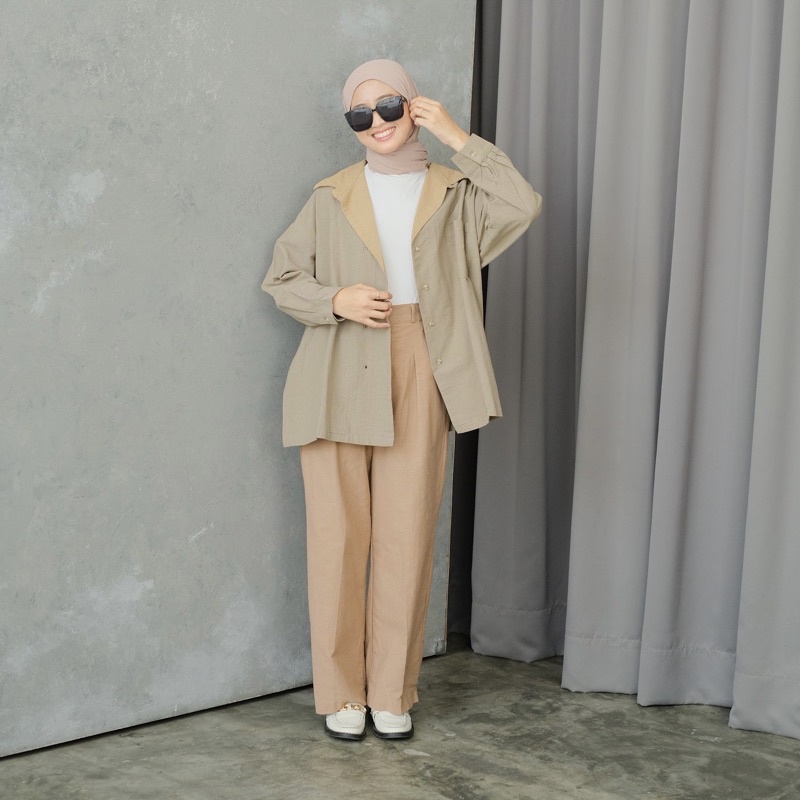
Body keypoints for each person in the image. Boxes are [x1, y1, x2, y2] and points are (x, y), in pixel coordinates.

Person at [262, 59, 541, 741]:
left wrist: (457, 137)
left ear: (413, 105)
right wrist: (337, 299)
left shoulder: (457, 192)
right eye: (360, 114)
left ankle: (391, 691)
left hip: (423, 357)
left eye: (389, 106)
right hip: (337, 363)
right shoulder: (330, 195)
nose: (377, 122)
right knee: (336, 538)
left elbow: (523, 204)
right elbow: (282, 277)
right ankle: (341, 694)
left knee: (407, 534)